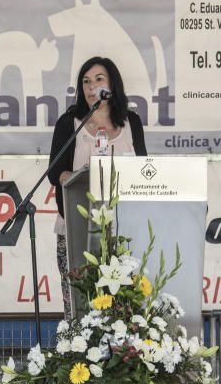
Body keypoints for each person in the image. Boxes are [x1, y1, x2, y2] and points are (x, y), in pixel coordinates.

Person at [47, 56, 147, 315]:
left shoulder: (131, 122)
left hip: (125, 227)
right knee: (80, 303)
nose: (91, 87)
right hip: (77, 226)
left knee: (124, 304)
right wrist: (72, 178)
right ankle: (77, 351)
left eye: (98, 80)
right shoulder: (69, 123)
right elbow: (55, 172)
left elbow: (144, 170)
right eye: (86, 82)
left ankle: (125, 353)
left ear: (112, 84)